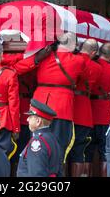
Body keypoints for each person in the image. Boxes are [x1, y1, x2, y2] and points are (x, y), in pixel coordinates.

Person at [33, 32, 86, 168]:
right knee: (58, 147)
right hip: (61, 107)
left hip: (39, 105)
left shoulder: (43, 57)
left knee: (36, 145)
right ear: (73, 45)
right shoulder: (78, 60)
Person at [68, 38, 102, 177]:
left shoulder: (71, 60)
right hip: (84, 110)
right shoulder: (98, 68)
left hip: (68, 107)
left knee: (63, 149)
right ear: (93, 52)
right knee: (80, 150)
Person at [90, 42, 110, 177]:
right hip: (106, 112)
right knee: (105, 150)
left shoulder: (92, 65)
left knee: (87, 150)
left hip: (89, 111)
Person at [17, 99, 62, 177]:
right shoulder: (51, 137)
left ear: (38, 121)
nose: (27, 119)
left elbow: (36, 174)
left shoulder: (37, 141)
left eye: (30, 117)